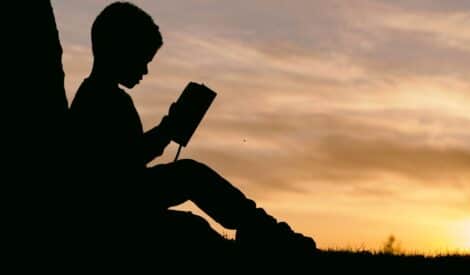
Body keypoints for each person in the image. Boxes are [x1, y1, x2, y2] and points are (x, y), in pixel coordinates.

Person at [69, 1, 316, 265]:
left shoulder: (101, 96)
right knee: (191, 209)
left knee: (190, 183)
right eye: (142, 58)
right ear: (119, 49)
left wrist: (168, 129)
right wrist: (168, 129)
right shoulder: (100, 100)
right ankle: (266, 237)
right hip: (112, 212)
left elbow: (127, 159)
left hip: (120, 202)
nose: (145, 70)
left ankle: (263, 235)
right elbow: (121, 166)